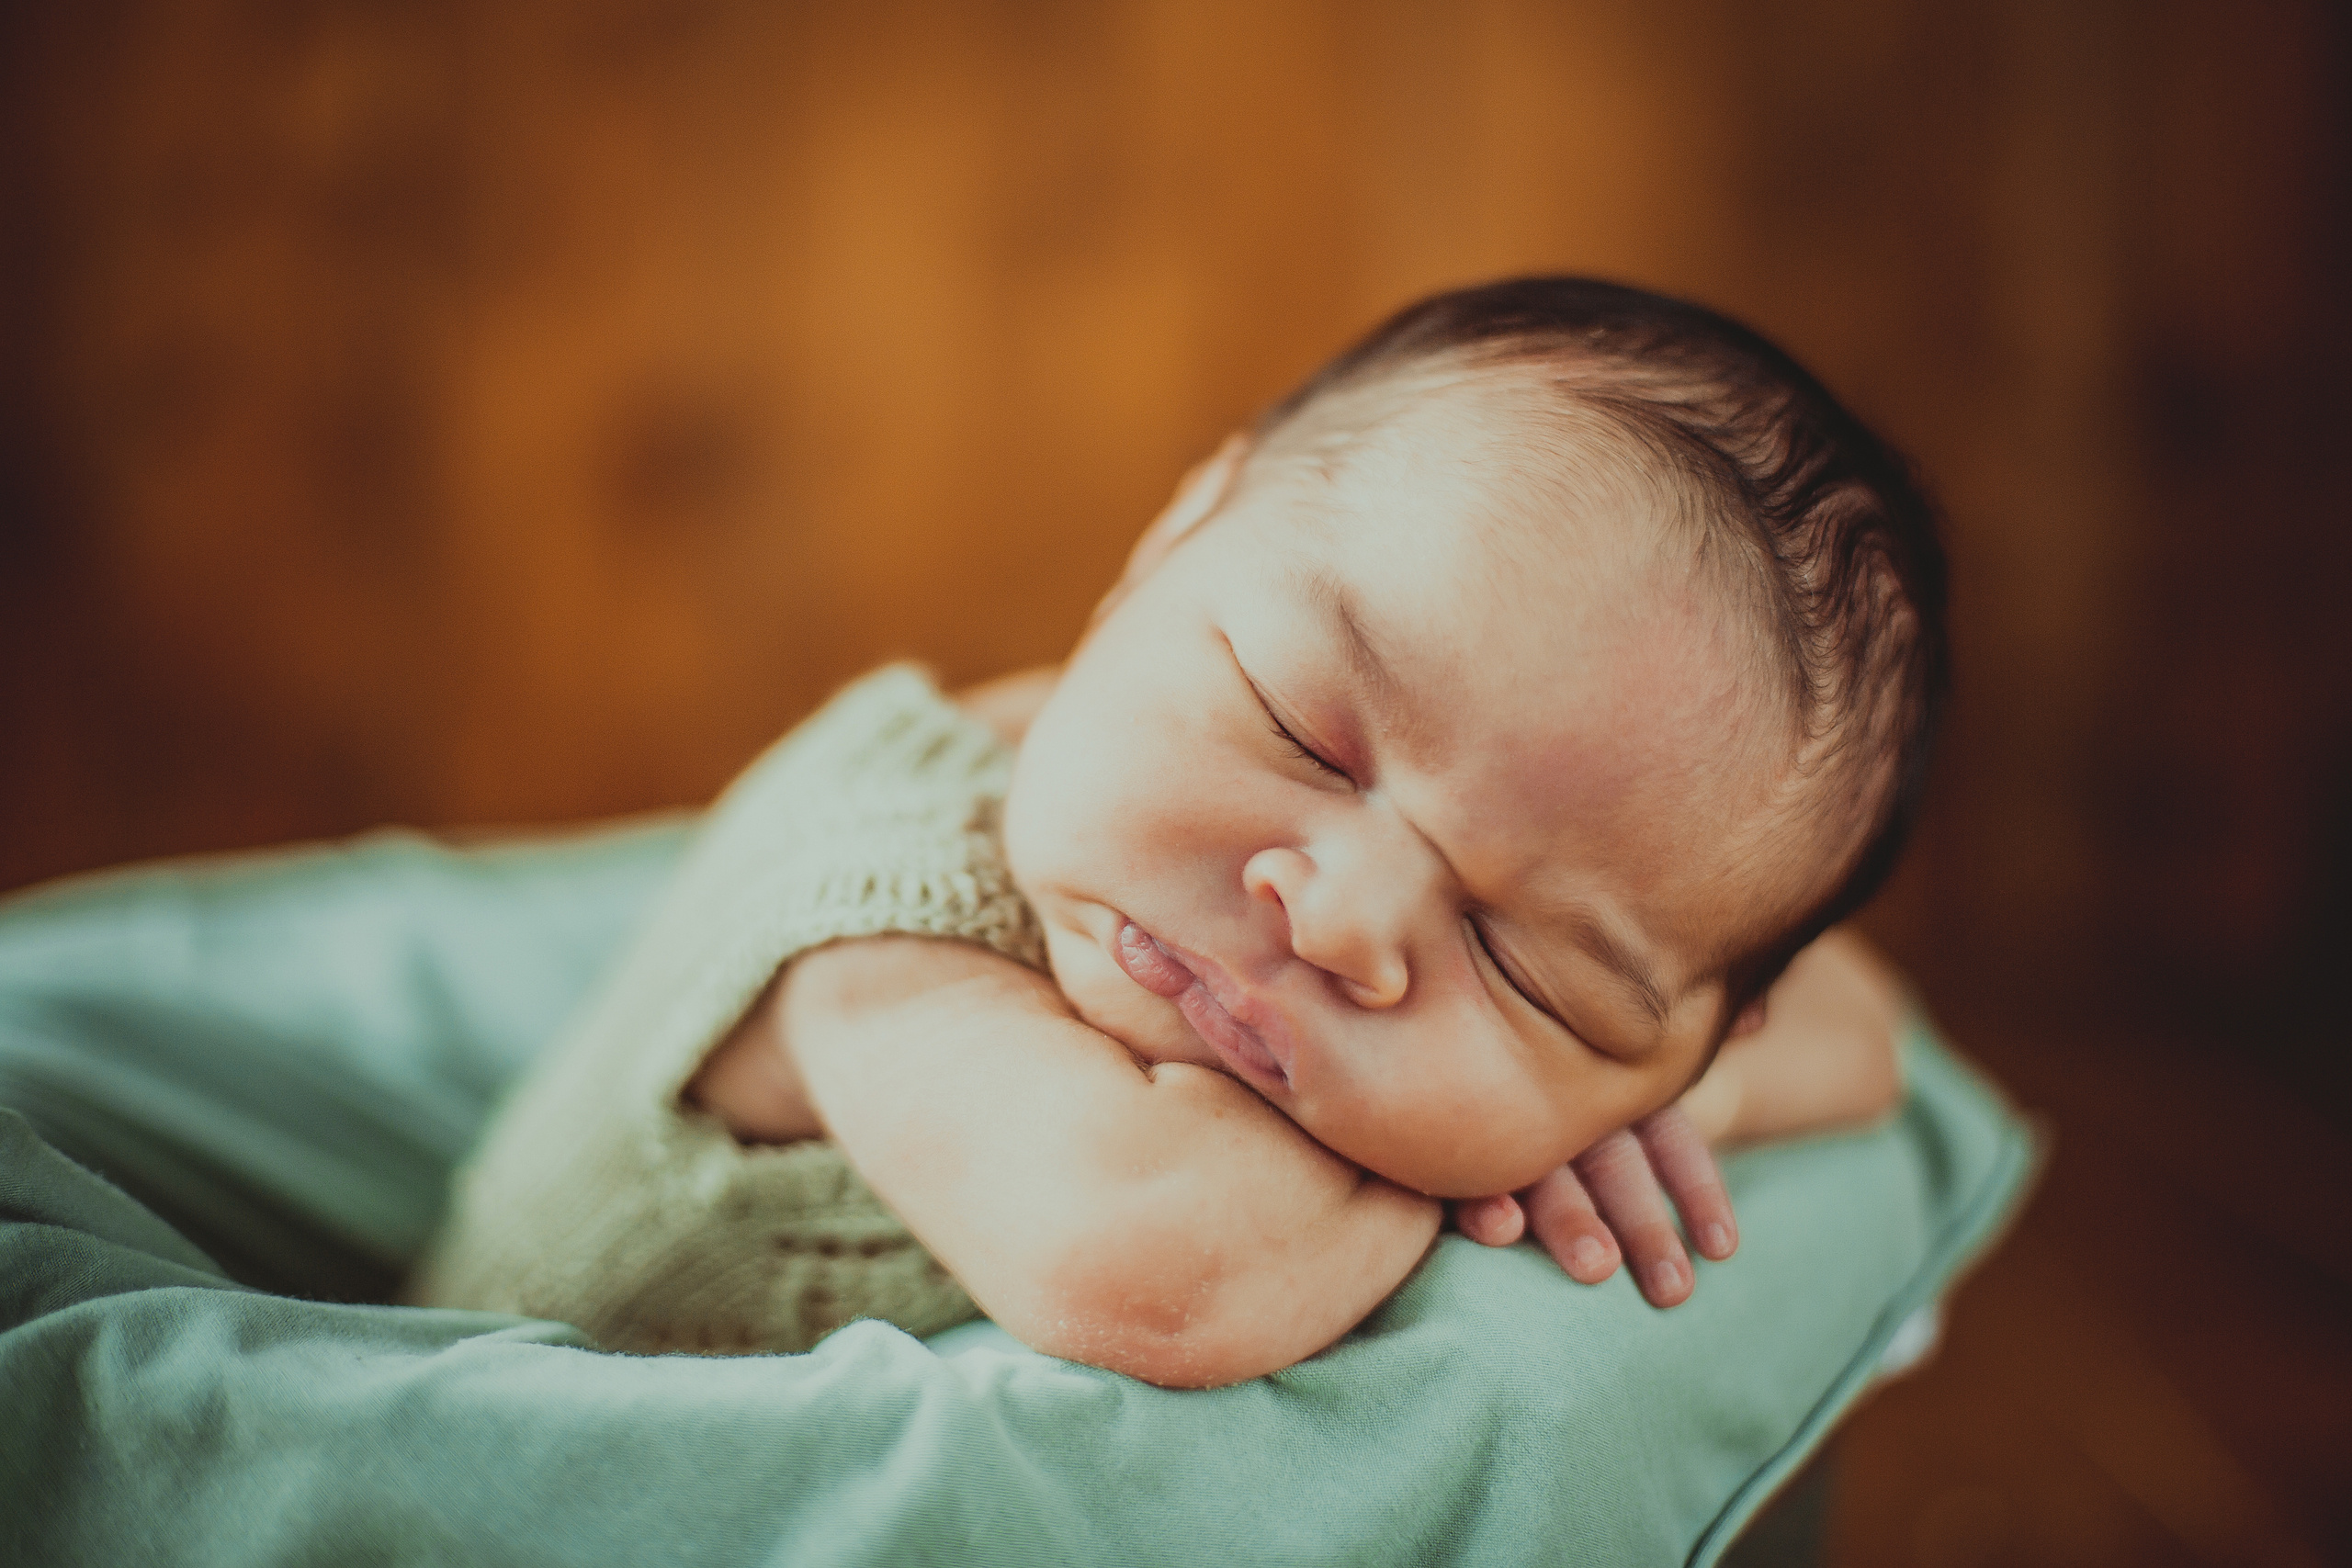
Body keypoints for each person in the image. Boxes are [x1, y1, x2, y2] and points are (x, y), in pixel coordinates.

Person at [411, 276, 1945, 1388]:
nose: (1340, 922)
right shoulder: (874, 894)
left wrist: (1657, 1103)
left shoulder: (1225, 782)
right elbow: (1145, 1267)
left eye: (1524, 963)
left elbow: (1864, 1024)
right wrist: (1496, 1130)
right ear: (1174, 536)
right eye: (1305, 734)